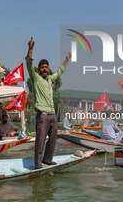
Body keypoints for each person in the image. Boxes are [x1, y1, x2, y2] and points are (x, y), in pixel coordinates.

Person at [26, 37, 71, 169]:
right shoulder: (36, 79)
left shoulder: (50, 79)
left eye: (46, 67)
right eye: (42, 67)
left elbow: (60, 71)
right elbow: (28, 63)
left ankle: (47, 160)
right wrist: (30, 48)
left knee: (52, 139)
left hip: (53, 115)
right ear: (39, 69)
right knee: (40, 141)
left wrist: (67, 60)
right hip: (43, 115)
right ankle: (38, 164)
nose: (45, 69)